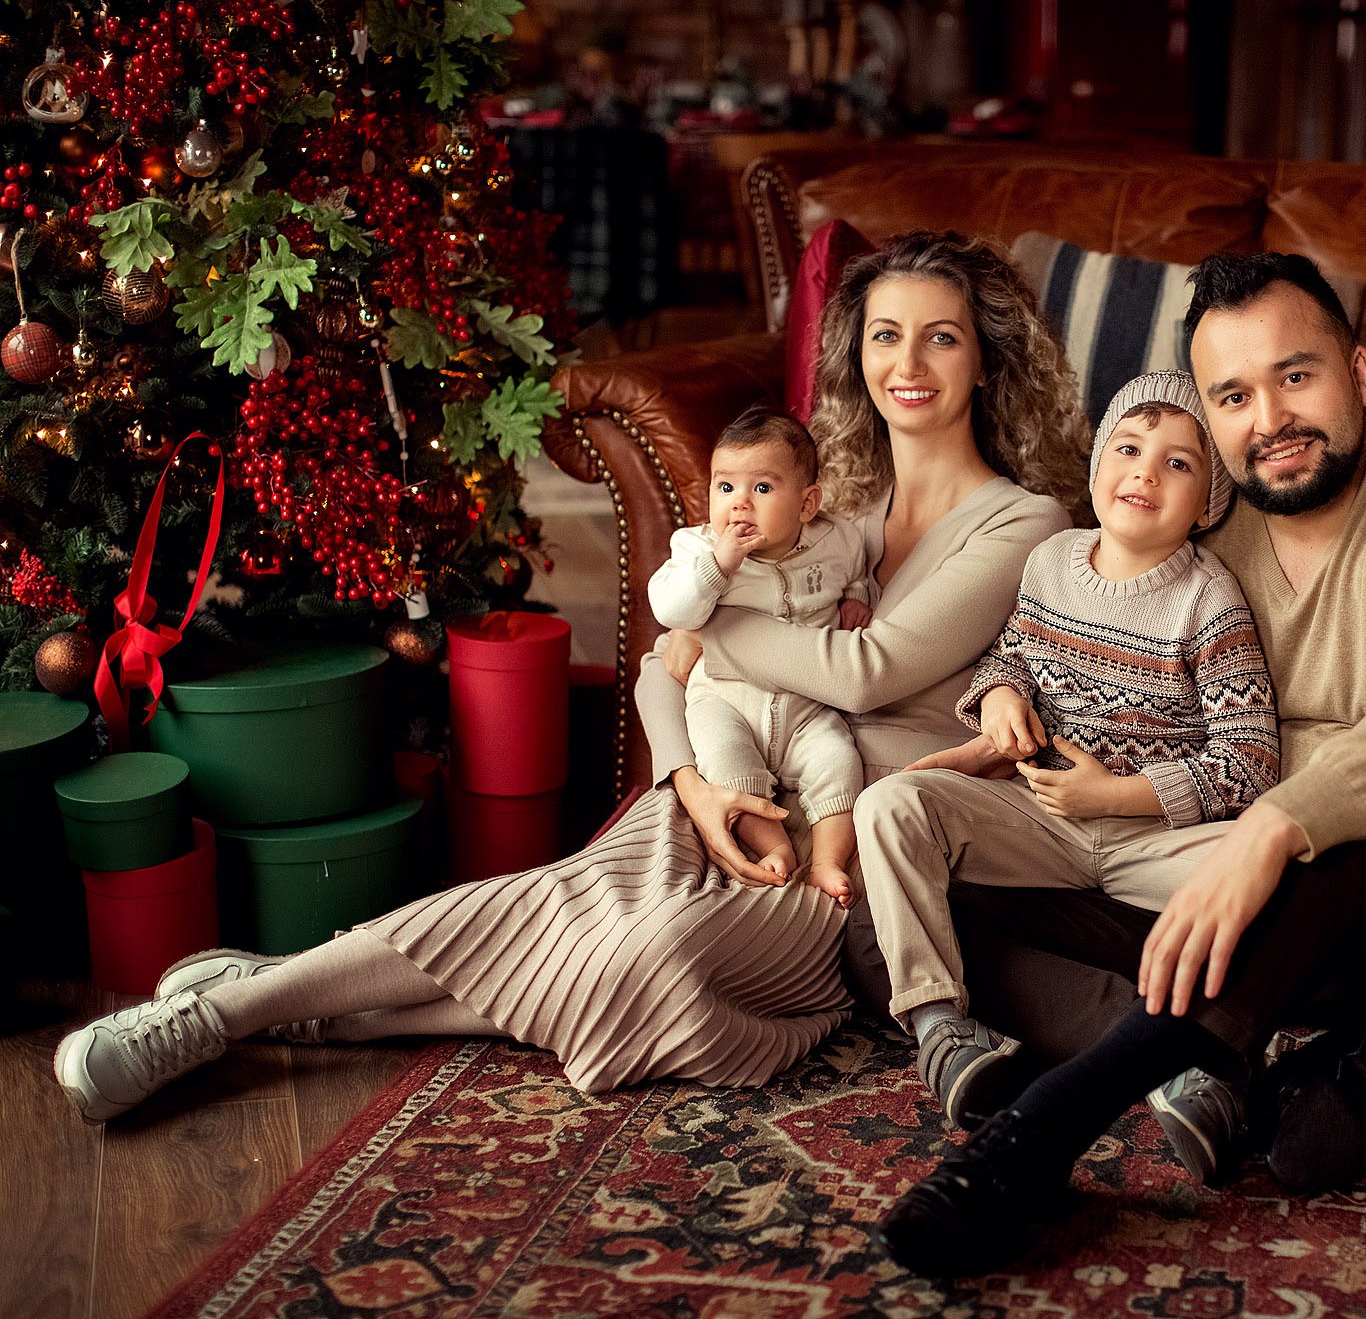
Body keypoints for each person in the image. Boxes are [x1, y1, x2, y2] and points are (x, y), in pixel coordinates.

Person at [50, 229, 1085, 1124]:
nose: (909, 361)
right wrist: (688, 782)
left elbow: (867, 674)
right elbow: (652, 675)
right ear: (856, 355)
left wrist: (710, 634)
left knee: (649, 962)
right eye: (884, 335)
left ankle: (294, 995)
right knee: (555, 902)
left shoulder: (1021, 521)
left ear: (986, 359)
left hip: (835, 841)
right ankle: (214, 1015)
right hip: (722, 786)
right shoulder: (823, 503)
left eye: (940, 336)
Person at [876, 251, 1366, 1278]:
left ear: (1358, 376)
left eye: (1295, 376)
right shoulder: (1200, 535)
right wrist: (1014, 732)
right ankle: (1269, 1065)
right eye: (1233, 395)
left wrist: (1280, 824)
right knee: (900, 890)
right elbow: (1061, 650)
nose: (1268, 418)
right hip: (1224, 892)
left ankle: (1046, 1128)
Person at [855, 369, 1279, 1131]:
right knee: (889, 804)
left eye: (1179, 462)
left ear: (1208, 503)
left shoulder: (1210, 601)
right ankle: (939, 1025)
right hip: (1041, 823)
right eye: (1129, 447)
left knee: (1282, 878)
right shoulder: (1051, 562)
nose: (1146, 471)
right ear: (1096, 466)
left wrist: (1116, 796)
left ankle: (1214, 1066)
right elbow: (1013, 654)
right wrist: (1001, 696)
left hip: (1159, 838)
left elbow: (1249, 762)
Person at [649, 408, 873, 905]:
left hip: (806, 704)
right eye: (724, 487)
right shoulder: (696, 548)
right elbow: (669, 609)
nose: (739, 505)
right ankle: (773, 850)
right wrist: (717, 567)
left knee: (839, 763)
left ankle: (829, 861)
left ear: (807, 503)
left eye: (762, 489)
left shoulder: (836, 538)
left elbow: (854, 563)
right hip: (724, 699)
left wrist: (855, 593)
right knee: (726, 763)